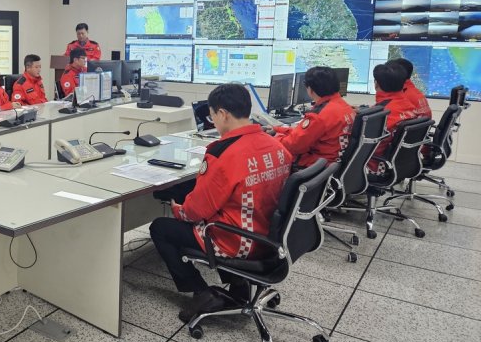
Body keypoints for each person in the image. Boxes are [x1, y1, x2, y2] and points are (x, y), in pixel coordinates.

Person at [149, 84, 292, 322]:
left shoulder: (222, 154)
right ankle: (238, 283)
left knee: (160, 228)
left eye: (212, 115)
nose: (213, 121)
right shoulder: (277, 146)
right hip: (270, 237)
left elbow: (196, 211)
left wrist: (178, 209)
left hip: (238, 241)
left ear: (223, 114)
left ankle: (201, 292)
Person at [271, 66, 355, 168]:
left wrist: (273, 137)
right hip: (334, 164)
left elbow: (294, 145)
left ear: (310, 89)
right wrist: (277, 129)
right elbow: (303, 134)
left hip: (317, 166)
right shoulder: (344, 106)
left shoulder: (319, 115)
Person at [367, 63, 417, 174]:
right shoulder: (408, 105)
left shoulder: (381, 114)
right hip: (402, 162)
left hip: (376, 165)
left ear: (376, 84)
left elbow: (366, 143)